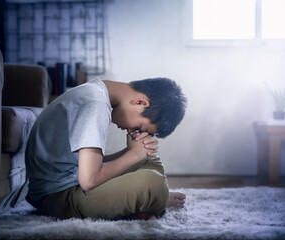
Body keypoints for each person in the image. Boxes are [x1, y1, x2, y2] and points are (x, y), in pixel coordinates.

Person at [25, 76, 187, 220]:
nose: (136, 132)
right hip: (58, 197)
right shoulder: (95, 105)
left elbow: (87, 165)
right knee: (153, 183)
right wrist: (134, 155)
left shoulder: (96, 91)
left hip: (71, 182)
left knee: (149, 159)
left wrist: (133, 153)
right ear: (140, 103)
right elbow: (89, 180)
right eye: (141, 127)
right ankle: (154, 199)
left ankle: (147, 201)